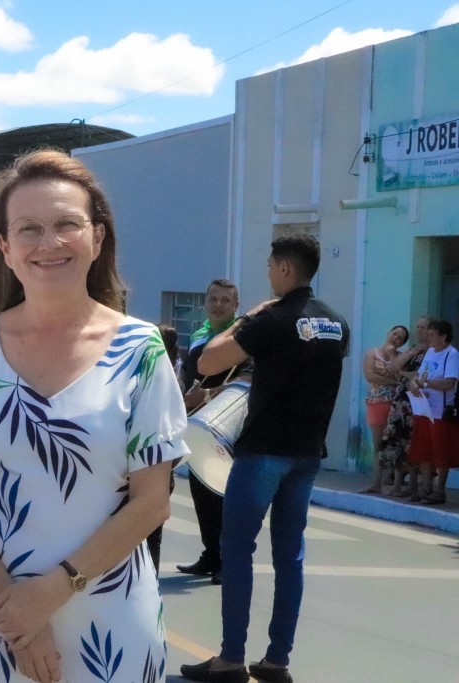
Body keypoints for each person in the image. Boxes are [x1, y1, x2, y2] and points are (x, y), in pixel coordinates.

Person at [0, 150, 188, 683]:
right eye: (29, 228)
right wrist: (17, 612)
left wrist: (50, 592)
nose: (49, 243)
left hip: (110, 619)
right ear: (5, 247)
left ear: (97, 238)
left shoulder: (141, 351)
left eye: (67, 224)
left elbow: (151, 501)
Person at [182, 233, 349, 683]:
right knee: (289, 556)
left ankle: (231, 658)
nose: (269, 273)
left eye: (271, 265)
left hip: (263, 451)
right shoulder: (337, 322)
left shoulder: (271, 318)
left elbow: (207, 363)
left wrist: (249, 316)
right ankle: (277, 661)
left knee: (237, 549)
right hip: (306, 453)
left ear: (285, 269)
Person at [175, 279, 250, 586]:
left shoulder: (241, 339)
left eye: (226, 301)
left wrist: (206, 396)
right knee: (201, 492)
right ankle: (211, 555)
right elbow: (187, 373)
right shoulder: (199, 336)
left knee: (225, 496)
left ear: (236, 306)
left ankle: (228, 562)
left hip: (227, 427)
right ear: (205, 303)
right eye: (213, 299)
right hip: (197, 426)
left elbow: (247, 380)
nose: (218, 305)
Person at [406, 318, 458, 505]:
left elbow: (449, 382)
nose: (428, 338)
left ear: (443, 337)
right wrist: (414, 383)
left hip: (440, 411)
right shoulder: (429, 352)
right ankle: (425, 487)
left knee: (441, 451)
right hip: (423, 408)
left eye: (432, 335)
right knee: (424, 450)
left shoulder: (451, 354)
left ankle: (439, 490)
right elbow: (419, 376)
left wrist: (425, 384)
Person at [145, 324, 181, 574]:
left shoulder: (162, 379)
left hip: (150, 464)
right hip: (164, 465)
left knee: (143, 536)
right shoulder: (176, 378)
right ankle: (151, 580)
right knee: (152, 536)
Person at [380, 316, 430, 497]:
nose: (419, 330)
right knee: (396, 440)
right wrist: (410, 354)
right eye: (418, 327)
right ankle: (397, 484)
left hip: (417, 402)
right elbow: (394, 367)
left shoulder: (432, 351)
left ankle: (416, 485)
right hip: (400, 400)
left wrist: (405, 373)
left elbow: (422, 375)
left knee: (412, 443)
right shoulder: (412, 349)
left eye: (423, 327)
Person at [358, 325, 408, 493]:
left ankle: (396, 484)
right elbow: (370, 376)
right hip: (376, 402)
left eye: (400, 338)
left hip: (395, 404)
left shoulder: (400, 357)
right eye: (395, 334)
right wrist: (393, 382)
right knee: (379, 443)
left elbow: (400, 376)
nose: (395, 338)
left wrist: (393, 356)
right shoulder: (372, 354)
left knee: (397, 443)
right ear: (389, 333)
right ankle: (377, 483)